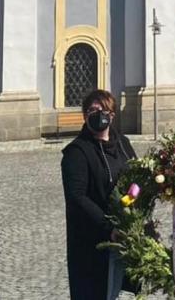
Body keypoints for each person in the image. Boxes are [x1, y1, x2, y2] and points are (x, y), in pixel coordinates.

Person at [61, 89, 138, 300]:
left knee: (127, 293)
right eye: (92, 110)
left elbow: (137, 178)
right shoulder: (76, 152)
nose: (97, 114)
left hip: (126, 235)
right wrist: (109, 227)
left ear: (112, 115)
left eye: (102, 110)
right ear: (85, 116)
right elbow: (77, 197)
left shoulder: (123, 143)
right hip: (92, 241)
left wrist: (137, 207)